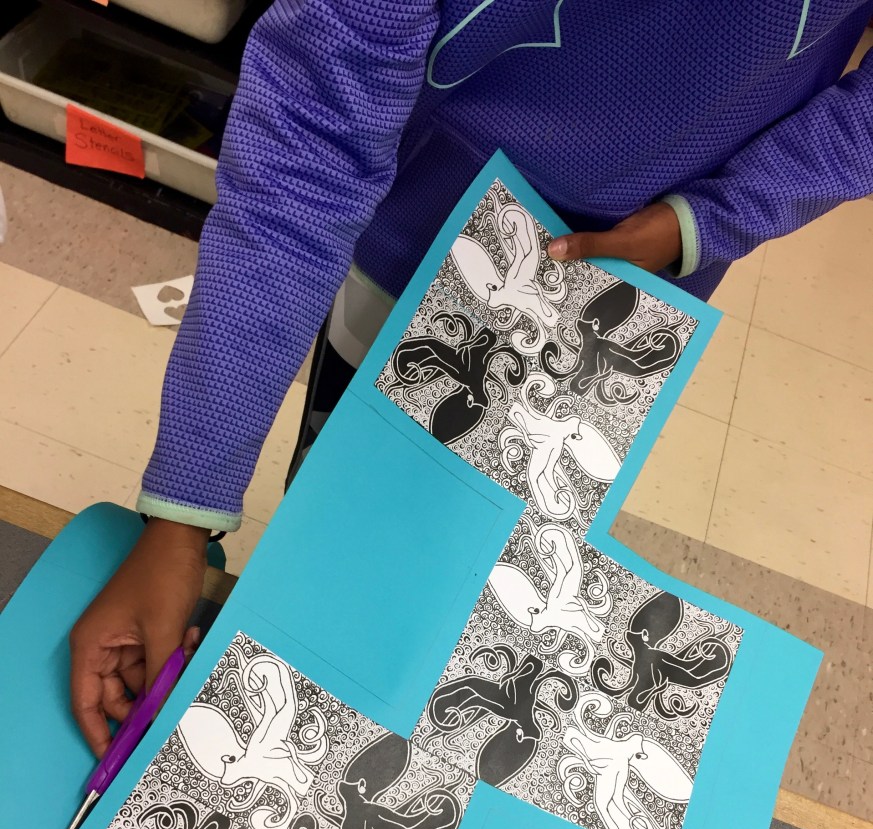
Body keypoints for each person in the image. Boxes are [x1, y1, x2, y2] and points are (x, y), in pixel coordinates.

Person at [70, 0, 873, 756]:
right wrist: (184, 510)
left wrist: (711, 217)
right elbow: (312, 142)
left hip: (624, 295)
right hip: (413, 228)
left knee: (474, 567)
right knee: (336, 523)